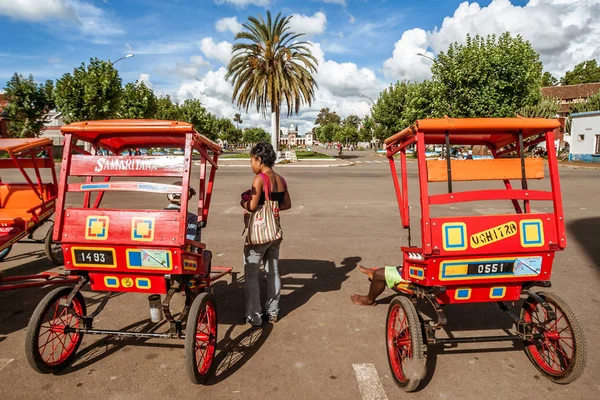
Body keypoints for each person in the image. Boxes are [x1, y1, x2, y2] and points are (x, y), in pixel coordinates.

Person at [240, 142, 292, 326]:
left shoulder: (260, 179)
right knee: (274, 273)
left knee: (252, 274)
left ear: (260, 159)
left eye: (252, 160)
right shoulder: (281, 179)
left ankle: (254, 316)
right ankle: (273, 312)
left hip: (260, 234)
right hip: (275, 233)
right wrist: (271, 207)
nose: (251, 165)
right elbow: (286, 204)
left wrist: (243, 202)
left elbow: (252, 206)